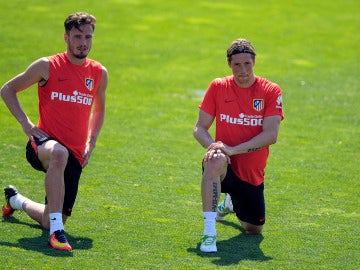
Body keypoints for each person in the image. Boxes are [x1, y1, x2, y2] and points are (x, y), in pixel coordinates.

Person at [1, 12, 108, 251]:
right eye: (78, 36)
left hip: (76, 154)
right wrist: (26, 124)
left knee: (48, 219)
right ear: (66, 38)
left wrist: (92, 141)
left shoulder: (99, 73)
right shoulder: (47, 66)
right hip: (43, 144)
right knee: (59, 154)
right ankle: (58, 233)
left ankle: (16, 201)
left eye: (88, 37)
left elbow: (99, 110)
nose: (83, 42)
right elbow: (8, 89)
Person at [193, 38, 284, 253]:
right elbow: (199, 128)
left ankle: (230, 203)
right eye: (236, 65)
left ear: (254, 62)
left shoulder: (270, 91)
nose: (242, 70)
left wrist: (233, 150)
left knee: (254, 229)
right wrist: (215, 146)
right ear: (229, 64)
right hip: (224, 166)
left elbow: (271, 135)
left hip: (251, 173)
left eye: (247, 64)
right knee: (214, 159)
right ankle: (209, 232)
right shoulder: (218, 87)